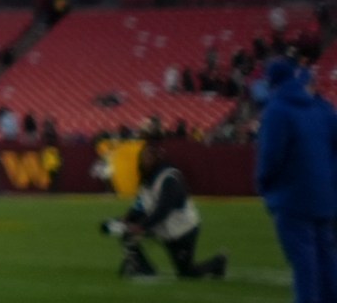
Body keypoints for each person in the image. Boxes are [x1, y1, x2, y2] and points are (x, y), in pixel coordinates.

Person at [256, 57, 335, 300]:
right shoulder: (321, 107)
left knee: (304, 267)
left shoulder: (278, 109)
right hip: (325, 197)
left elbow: (271, 156)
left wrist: (264, 186)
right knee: (328, 262)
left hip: (292, 196)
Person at [112, 148, 229, 280]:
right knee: (124, 229)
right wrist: (127, 218)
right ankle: (143, 268)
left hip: (182, 230)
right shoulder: (147, 180)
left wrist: (142, 226)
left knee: (186, 273)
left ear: (157, 159)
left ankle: (217, 263)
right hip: (164, 227)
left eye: (148, 158)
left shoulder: (169, 178)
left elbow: (163, 209)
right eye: (143, 158)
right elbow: (141, 205)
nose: (145, 162)